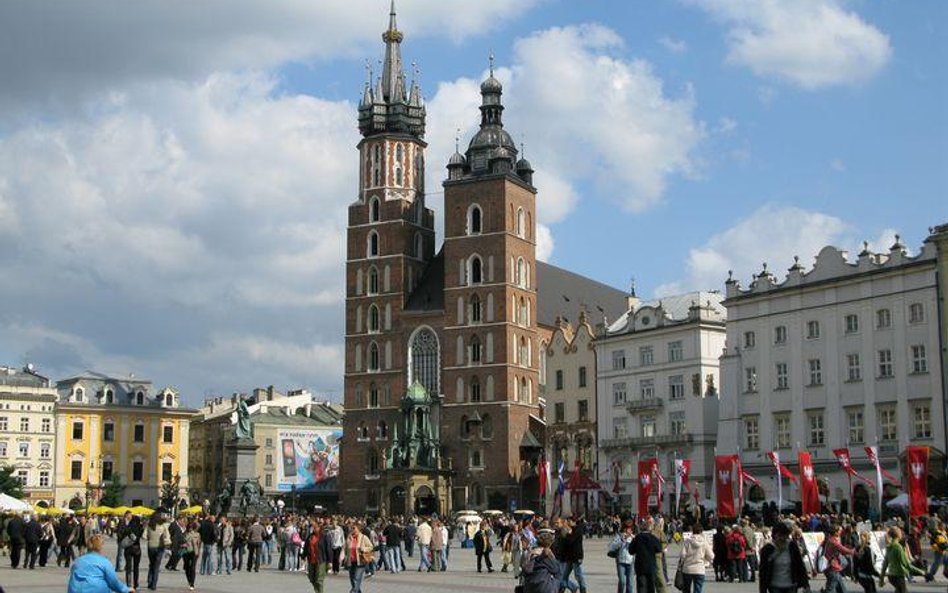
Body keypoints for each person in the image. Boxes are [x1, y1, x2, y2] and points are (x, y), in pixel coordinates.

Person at [67, 534, 133, 593]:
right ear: (100, 547)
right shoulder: (104, 562)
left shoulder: (78, 561)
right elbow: (113, 582)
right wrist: (126, 590)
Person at [758, 521, 809, 593]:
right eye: (779, 535)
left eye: (785, 536)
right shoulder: (767, 549)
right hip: (774, 586)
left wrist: (806, 585)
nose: (782, 538)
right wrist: (762, 590)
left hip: (791, 585)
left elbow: (800, 565)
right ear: (774, 535)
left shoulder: (792, 547)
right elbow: (763, 571)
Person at [879, 526, 925, 593]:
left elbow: (885, 564)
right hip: (898, 576)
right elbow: (906, 564)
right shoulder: (898, 548)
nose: (902, 534)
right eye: (900, 532)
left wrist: (881, 579)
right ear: (898, 534)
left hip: (891, 576)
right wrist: (922, 572)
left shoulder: (889, 547)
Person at [628, 522, 663, 593]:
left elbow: (630, 551)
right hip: (651, 566)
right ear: (649, 529)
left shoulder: (637, 538)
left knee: (641, 586)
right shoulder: (653, 538)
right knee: (651, 586)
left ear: (640, 529)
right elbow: (659, 548)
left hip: (640, 566)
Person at [679, 523, 714, 593]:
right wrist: (706, 560)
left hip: (687, 569)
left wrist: (682, 563)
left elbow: (682, 555)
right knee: (697, 590)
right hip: (699, 569)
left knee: (686, 589)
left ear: (692, 531)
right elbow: (711, 556)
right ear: (701, 532)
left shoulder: (687, 541)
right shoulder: (704, 542)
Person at [822, 524, 854, 593]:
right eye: (840, 531)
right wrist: (855, 551)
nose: (841, 532)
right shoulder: (833, 542)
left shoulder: (830, 539)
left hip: (833, 568)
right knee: (831, 590)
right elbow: (844, 550)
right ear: (835, 532)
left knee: (842, 589)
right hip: (832, 568)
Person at [116, 513, 143, 591]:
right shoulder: (140, 528)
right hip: (137, 549)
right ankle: (136, 584)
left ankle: (129, 584)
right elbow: (141, 536)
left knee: (128, 567)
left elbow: (122, 536)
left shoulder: (128, 527)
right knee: (136, 567)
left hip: (128, 549)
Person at [305, 518, 333, 593]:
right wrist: (303, 556)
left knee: (319, 580)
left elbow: (329, 549)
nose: (313, 529)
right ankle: (317, 590)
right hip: (311, 560)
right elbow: (306, 546)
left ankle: (319, 591)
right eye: (312, 527)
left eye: (315, 527)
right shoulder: (310, 536)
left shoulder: (324, 536)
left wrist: (330, 561)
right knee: (311, 578)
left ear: (319, 527)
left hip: (321, 560)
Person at [560, 517, 587, 593]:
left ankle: (583, 589)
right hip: (569, 557)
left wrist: (567, 534)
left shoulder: (577, 530)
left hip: (576, 556)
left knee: (578, 575)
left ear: (573, 522)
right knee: (564, 575)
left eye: (569, 521)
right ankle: (562, 589)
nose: (568, 523)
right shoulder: (572, 529)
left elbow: (570, 540)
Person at [346, 520, 374, 593]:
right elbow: (345, 548)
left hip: (360, 561)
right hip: (351, 561)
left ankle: (353, 591)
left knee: (356, 578)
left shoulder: (363, 537)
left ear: (358, 529)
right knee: (352, 579)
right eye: (351, 528)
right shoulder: (349, 538)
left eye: (354, 528)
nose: (352, 530)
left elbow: (371, 546)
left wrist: (364, 549)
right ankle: (357, 591)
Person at [144, 514, 170, 590]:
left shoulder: (149, 526)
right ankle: (154, 584)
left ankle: (149, 581)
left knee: (151, 564)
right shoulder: (163, 526)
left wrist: (150, 537)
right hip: (160, 547)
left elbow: (144, 536)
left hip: (151, 547)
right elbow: (167, 536)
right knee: (156, 566)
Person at [608, 520, 635, 593]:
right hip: (621, 561)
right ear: (624, 528)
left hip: (631, 562)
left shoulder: (634, 538)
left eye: (630, 529)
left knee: (630, 584)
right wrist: (622, 540)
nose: (628, 530)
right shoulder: (619, 536)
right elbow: (611, 547)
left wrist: (634, 539)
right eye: (627, 528)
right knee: (622, 581)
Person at [182, 521, 201, 591]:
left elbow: (199, 544)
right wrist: (182, 545)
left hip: (194, 552)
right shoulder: (184, 534)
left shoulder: (197, 534)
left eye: (191, 527)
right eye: (189, 527)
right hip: (186, 552)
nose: (190, 528)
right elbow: (181, 542)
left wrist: (198, 552)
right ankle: (189, 580)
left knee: (193, 567)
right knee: (187, 567)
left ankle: (192, 583)